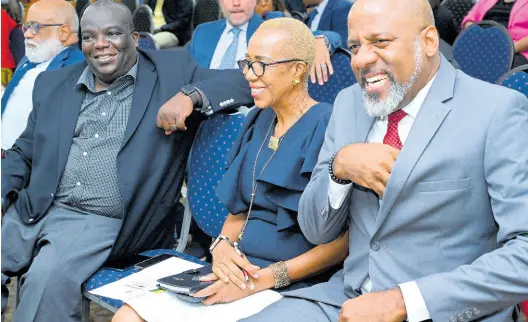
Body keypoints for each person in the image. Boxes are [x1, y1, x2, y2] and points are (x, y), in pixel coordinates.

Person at [242, 0, 528, 321]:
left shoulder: (497, 111)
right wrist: (339, 168)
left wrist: (406, 301)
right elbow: (316, 231)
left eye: (380, 42)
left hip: (444, 311)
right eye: (354, 46)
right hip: (345, 300)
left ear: (429, 41)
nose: (361, 60)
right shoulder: (348, 102)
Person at [0, 0, 253, 321]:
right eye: (89, 36)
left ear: (134, 37)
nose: (100, 44)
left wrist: (190, 96)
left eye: (113, 33)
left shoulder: (172, 71)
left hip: (107, 219)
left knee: (46, 281)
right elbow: (24, 151)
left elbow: (244, 82)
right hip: (38, 208)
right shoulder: (55, 83)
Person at [112, 17, 349, 322]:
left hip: (291, 282)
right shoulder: (259, 120)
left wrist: (262, 280)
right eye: (247, 63)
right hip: (236, 270)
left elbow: (342, 243)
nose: (249, 74)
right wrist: (222, 245)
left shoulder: (330, 127)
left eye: (260, 64)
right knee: (128, 317)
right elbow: (239, 208)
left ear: (297, 69)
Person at [1, 0, 84, 152]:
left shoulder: (78, 67)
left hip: (27, 164)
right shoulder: (30, 58)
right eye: (26, 27)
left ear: (64, 32)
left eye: (35, 27)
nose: (26, 34)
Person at [462, 0, 528, 68]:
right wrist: (477, 36)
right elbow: (469, 20)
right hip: (480, 44)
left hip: (515, 50)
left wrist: (509, 48)